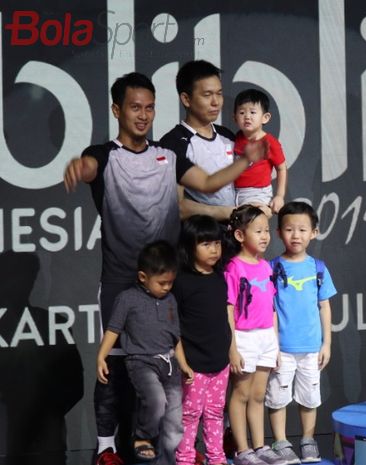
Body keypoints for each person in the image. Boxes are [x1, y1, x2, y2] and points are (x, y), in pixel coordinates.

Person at [63, 72, 264, 465]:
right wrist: (78, 167)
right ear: (117, 110)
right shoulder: (104, 155)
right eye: (135, 107)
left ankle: (174, 447)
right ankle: (106, 448)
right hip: (122, 280)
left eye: (149, 107)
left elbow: (206, 182)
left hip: (169, 281)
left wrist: (243, 162)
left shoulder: (168, 156)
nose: (143, 115)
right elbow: (88, 167)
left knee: (171, 365)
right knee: (118, 362)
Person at [95, 241, 193, 465]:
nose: (167, 287)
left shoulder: (170, 300)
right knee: (156, 401)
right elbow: (113, 329)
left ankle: (166, 461)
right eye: (162, 283)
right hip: (141, 362)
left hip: (169, 364)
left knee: (174, 422)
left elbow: (175, 337)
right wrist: (101, 356)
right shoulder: (127, 299)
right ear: (142, 277)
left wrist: (184, 364)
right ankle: (142, 436)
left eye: (170, 282)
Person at [266, 202, 337, 463]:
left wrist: (326, 343)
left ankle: (308, 440)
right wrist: (271, 347)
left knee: (310, 397)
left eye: (302, 229)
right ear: (278, 233)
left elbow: (324, 307)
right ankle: (280, 442)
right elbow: (269, 310)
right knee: (277, 398)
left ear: (314, 233)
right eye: (289, 229)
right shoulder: (271, 268)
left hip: (311, 349)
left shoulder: (318, 268)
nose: (295, 235)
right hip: (281, 349)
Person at [160, 60, 271, 221]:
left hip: (237, 238)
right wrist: (231, 213)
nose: (216, 102)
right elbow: (178, 207)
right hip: (202, 240)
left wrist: (261, 207)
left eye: (219, 93)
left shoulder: (228, 135)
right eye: (207, 95)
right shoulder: (173, 144)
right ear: (186, 99)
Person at [224, 205, 284, 465]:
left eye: (267, 231)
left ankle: (259, 446)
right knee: (241, 394)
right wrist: (233, 347)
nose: (264, 236)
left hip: (266, 339)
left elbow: (271, 308)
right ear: (239, 235)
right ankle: (243, 450)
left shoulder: (266, 267)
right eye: (258, 231)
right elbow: (228, 310)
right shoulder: (233, 268)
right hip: (244, 337)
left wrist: (276, 343)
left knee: (259, 395)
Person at [172, 215, 233, 465]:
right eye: (206, 244)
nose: (214, 249)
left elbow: (224, 319)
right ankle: (185, 458)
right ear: (189, 246)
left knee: (215, 412)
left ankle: (216, 458)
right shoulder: (181, 282)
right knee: (189, 414)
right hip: (193, 365)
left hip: (220, 362)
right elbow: (172, 327)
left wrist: (230, 353)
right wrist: (183, 362)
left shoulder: (220, 277)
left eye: (217, 243)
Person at [232, 89, 288, 213]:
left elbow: (281, 168)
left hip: (258, 193)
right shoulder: (234, 139)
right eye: (241, 112)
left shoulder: (270, 142)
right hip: (233, 192)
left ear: (265, 118)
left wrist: (279, 196)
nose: (247, 116)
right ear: (235, 118)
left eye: (252, 112)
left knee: (251, 224)